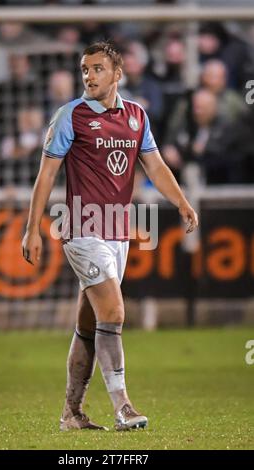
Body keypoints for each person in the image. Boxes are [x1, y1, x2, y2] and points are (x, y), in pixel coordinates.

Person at [22, 42, 198, 431]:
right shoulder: (70, 116)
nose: (89, 76)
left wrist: (182, 202)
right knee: (115, 312)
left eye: (98, 69)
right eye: (85, 69)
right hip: (81, 228)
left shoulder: (136, 116)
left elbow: (155, 165)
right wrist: (31, 229)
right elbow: (46, 175)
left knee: (90, 323)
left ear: (117, 74)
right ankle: (124, 407)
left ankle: (72, 413)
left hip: (117, 231)